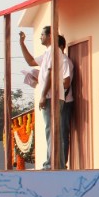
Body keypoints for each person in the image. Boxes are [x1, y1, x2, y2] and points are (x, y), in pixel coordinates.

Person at [20, 27, 73, 169]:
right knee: (54, 131)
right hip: (53, 96)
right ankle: (58, 164)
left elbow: (51, 73)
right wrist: (22, 43)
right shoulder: (48, 52)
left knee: (52, 130)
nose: (40, 37)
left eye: (42, 35)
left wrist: (43, 95)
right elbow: (31, 61)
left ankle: (52, 163)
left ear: (50, 36)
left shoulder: (54, 51)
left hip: (52, 96)